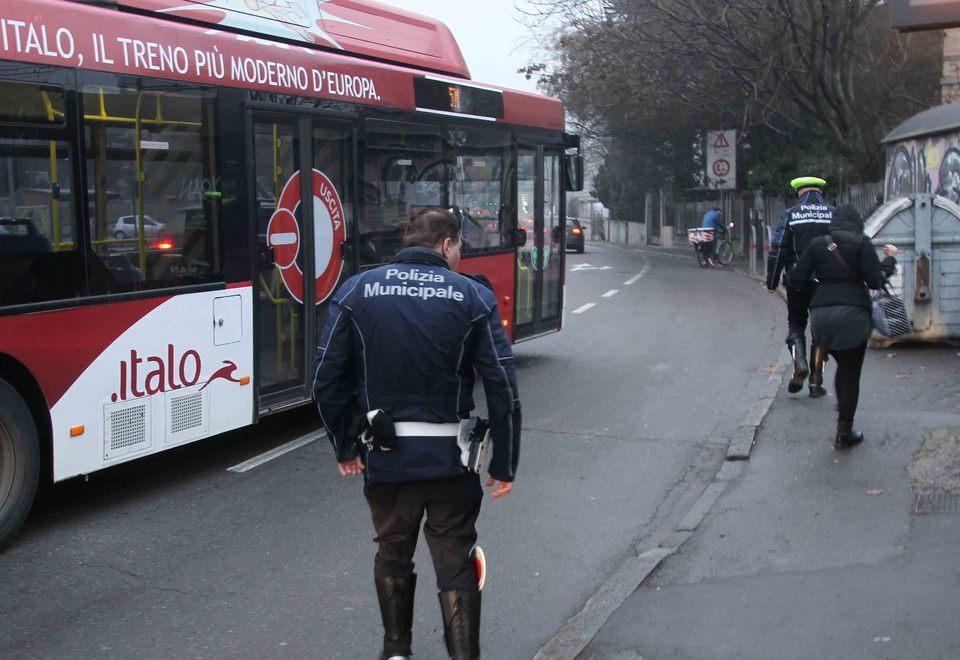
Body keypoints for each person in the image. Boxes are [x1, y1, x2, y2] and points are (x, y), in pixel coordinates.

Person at [312, 207, 520, 660]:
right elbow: (503, 386)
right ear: (446, 244)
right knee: (455, 556)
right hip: (450, 459)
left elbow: (325, 381)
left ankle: (395, 652)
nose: (460, 255)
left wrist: (345, 445)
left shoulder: (357, 290)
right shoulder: (472, 296)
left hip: (387, 458)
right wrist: (505, 462)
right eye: (460, 246)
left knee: (392, 549)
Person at [785, 204, 897, 449]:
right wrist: (889, 260)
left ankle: (831, 399)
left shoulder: (818, 244)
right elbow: (876, 280)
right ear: (857, 222)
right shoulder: (862, 243)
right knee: (850, 372)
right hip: (854, 315)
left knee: (840, 365)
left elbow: (797, 277)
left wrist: (821, 287)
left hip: (822, 316)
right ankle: (844, 431)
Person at [764, 176, 835, 397]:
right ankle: (816, 382)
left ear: (799, 193)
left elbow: (778, 250)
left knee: (796, 323)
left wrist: (772, 282)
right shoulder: (833, 214)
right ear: (821, 193)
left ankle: (800, 362)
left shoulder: (791, 215)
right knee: (821, 329)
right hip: (826, 281)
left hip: (796, 279)